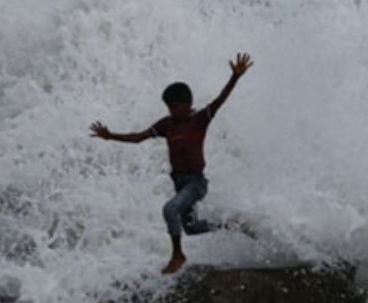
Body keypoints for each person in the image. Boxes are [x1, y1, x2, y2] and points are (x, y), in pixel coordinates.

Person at [90, 53, 253, 275]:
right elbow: (139, 137)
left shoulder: (200, 120)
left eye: (174, 106)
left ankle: (178, 255)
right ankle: (233, 225)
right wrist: (111, 136)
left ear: (187, 105)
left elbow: (220, 100)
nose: (171, 111)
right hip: (179, 182)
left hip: (196, 183)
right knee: (192, 228)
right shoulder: (167, 125)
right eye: (168, 107)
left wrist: (234, 77)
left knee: (169, 209)